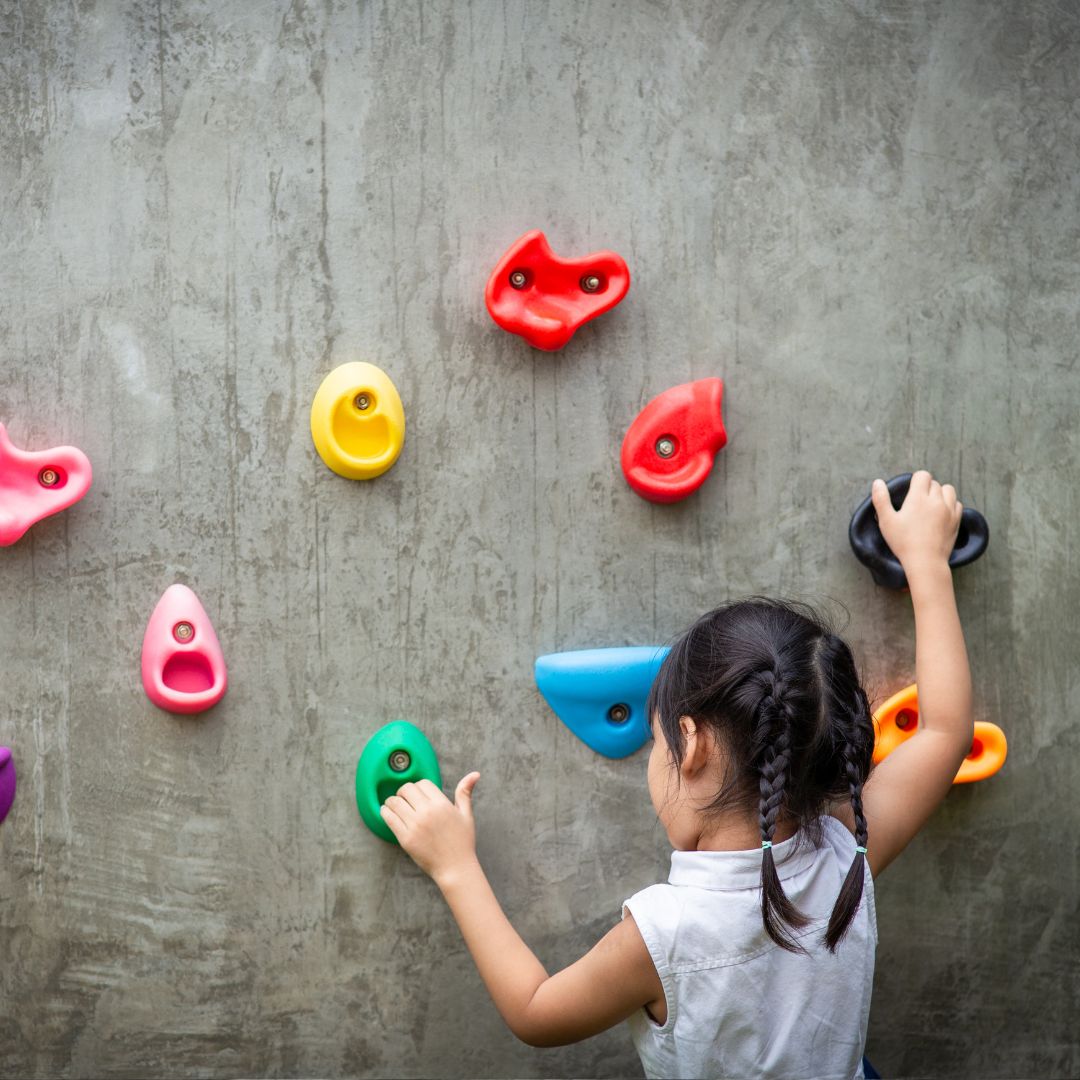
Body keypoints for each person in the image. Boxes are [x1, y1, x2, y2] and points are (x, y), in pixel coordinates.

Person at [380, 471, 974, 1079]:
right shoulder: (848, 850)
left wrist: (455, 866)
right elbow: (945, 732)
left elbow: (536, 1012)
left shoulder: (664, 935)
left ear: (688, 745)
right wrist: (928, 561)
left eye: (656, 739)